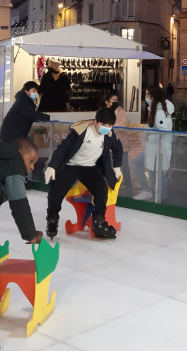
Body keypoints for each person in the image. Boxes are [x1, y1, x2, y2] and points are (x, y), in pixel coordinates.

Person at [44, 107, 123, 239]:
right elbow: (62, 149)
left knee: (102, 190)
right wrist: (52, 166)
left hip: (89, 167)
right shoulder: (81, 132)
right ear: (96, 122)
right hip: (71, 166)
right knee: (56, 193)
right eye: (103, 124)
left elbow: (118, 149)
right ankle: (52, 220)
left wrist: (116, 166)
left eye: (109, 125)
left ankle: (98, 222)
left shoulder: (109, 135)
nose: (106, 128)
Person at [132, 87, 174, 201]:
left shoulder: (159, 112)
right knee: (154, 171)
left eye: (147, 95)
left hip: (158, 149)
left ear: (153, 97)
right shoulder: (156, 110)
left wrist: (149, 138)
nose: (145, 97)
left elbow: (163, 130)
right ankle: (155, 194)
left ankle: (160, 197)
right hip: (154, 148)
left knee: (156, 172)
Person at [0, 138, 43, 244]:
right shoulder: (16, 163)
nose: (32, 167)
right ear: (19, 152)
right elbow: (19, 203)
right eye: (31, 161)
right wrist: (31, 235)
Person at [102, 93, 132, 192]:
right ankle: (110, 188)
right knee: (109, 167)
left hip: (122, 145)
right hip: (108, 146)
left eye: (116, 100)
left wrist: (111, 127)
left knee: (124, 167)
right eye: (113, 100)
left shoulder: (121, 111)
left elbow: (125, 123)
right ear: (107, 102)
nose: (116, 102)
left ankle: (129, 188)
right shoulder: (103, 112)